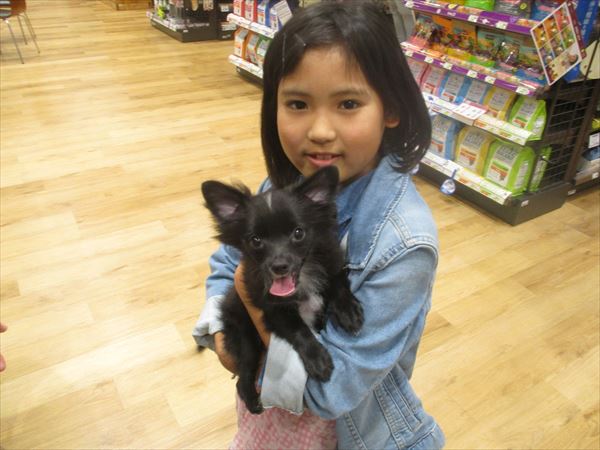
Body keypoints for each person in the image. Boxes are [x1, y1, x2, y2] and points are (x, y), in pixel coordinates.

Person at [193, 2, 445, 449]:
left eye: (348, 104)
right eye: (297, 103)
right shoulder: (281, 190)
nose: (321, 131)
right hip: (273, 412)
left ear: (391, 107)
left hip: (352, 431)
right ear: (272, 106)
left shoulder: (404, 244)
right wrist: (222, 333)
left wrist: (248, 313)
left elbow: (332, 390)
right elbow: (225, 262)